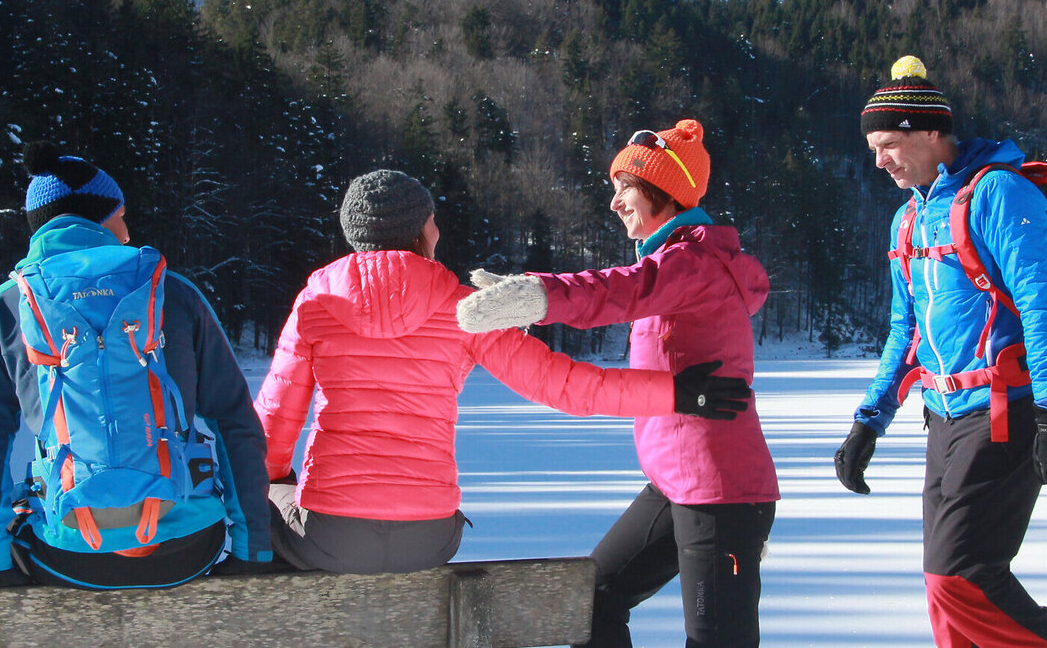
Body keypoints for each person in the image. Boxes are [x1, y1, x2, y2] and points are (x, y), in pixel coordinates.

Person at [254, 169, 750, 575]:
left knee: (268, 498)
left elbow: (273, 429)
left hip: (331, 537)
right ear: (423, 228)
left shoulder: (315, 303)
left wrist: (283, 483)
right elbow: (566, 386)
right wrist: (678, 394)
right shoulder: (463, 307)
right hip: (431, 536)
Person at [456, 120, 776, 648]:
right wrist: (533, 292)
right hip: (675, 485)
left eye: (623, 188)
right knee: (591, 598)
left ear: (662, 191)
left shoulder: (693, 263)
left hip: (722, 493)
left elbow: (618, 292)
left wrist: (538, 294)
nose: (614, 202)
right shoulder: (679, 261)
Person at [0, 143, 272, 589]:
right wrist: (251, 553)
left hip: (68, 557)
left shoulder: (3, 309)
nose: (126, 232)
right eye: (120, 215)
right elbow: (235, 421)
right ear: (98, 217)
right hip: (189, 547)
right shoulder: (173, 292)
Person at [834, 56, 1047, 647]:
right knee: (941, 590)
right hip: (943, 417)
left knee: (961, 576)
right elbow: (906, 330)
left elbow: (1041, 305)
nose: (879, 161)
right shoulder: (908, 217)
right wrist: (868, 422)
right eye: (873, 148)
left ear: (930, 132)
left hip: (1005, 411)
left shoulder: (999, 192)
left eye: (888, 144)